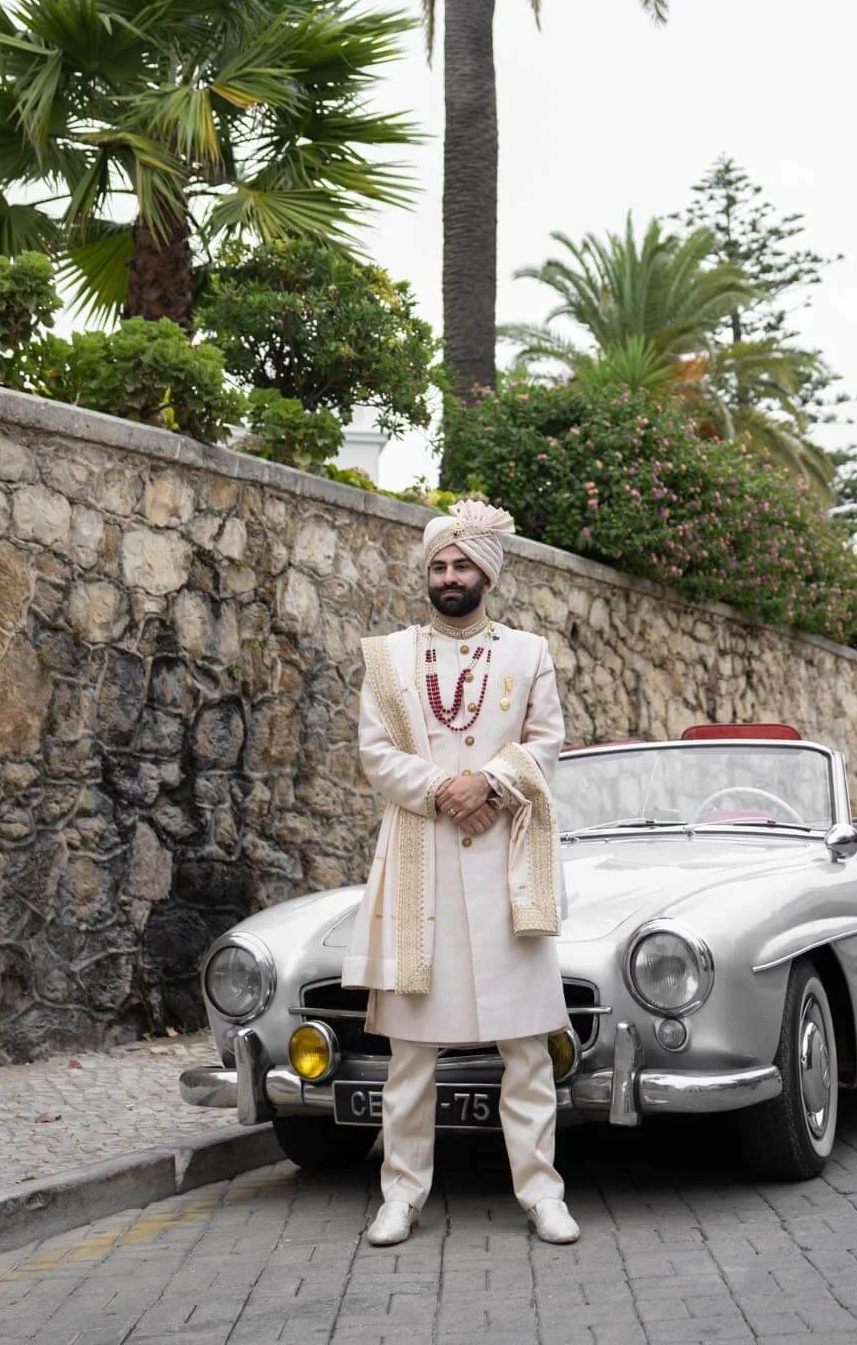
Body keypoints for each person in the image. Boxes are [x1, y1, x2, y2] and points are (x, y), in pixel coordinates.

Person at [342, 499, 579, 1247]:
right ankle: (401, 1194)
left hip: (508, 865)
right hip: (422, 866)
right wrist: (450, 791)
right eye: (439, 564)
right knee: (410, 1054)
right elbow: (376, 755)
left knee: (527, 1050)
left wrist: (492, 784)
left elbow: (547, 743)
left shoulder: (527, 653)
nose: (449, 576)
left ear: (487, 573)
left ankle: (542, 1193)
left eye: (462, 564)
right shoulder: (388, 657)